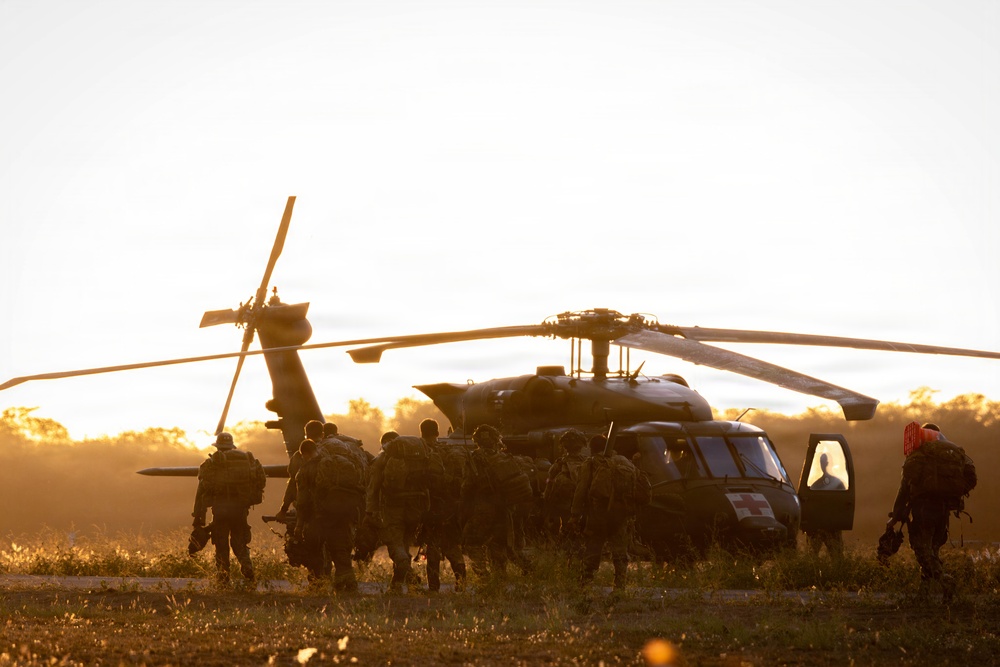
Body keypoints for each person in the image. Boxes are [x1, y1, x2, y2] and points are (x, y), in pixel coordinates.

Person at [886, 423, 977, 602]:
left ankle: (945, 581)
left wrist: (895, 517)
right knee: (932, 551)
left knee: (922, 551)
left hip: (923, 511)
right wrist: (955, 492)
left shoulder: (919, 455)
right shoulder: (955, 452)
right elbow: (972, 479)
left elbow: (904, 489)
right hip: (943, 512)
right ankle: (924, 593)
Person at [570, 435, 649, 589]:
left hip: (598, 513)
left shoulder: (592, 463)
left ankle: (585, 584)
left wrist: (574, 515)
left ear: (592, 448)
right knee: (620, 552)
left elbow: (581, 490)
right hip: (621, 513)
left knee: (593, 548)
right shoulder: (624, 462)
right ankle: (620, 586)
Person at [366, 431, 437, 593]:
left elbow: (373, 487)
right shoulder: (418, 458)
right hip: (416, 508)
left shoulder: (383, 459)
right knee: (404, 543)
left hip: (394, 507)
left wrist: (371, 511)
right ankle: (404, 582)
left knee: (395, 544)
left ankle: (401, 578)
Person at [192, 432, 266, 585]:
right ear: (232, 445)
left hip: (220, 510)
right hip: (240, 510)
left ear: (218, 446)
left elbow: (201, 491)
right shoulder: (247, 461)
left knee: (221, 544)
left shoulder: (211, 463)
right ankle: (247, 569)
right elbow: (261, 482)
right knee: (239, 543)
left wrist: (199, 517)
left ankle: (223, 578)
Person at [460, 424, 533, 579]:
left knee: (472, 541)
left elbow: (468, 485)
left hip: (484, 507)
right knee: (499, 543)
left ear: (477, 441)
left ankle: (483, 575)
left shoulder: (475, 459)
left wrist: (464, 504)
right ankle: (501, 577)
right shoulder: (505, 457)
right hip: (505, 507)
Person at [294, 437, 366, 594]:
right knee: (340, 549)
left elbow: (302, 500)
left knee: (314, 549)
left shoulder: (306, 470)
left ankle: (317, 585)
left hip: (320, 517)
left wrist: (299, 525)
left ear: (304, 454)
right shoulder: (336, 464)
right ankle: (348, 585)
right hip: (343, 514)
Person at [419, 418, 468, 592]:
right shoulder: (448, 451)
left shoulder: (420, 452)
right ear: (438, 433)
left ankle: (433, 586)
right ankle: (461, 582)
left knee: (432, 545)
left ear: (421, 432)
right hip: (450, 506)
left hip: (431, 505)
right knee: (452, 545)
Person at [542, 429, 589, 549]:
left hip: (564, 504)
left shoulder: (559, 464)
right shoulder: (588, 463)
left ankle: (568, 550)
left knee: (566, 529)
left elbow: (549, 483)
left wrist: (546, 502)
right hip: (584, 504)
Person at [804, 452, 846, 557]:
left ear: (827, 463)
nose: (823, 464)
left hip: (831, 525)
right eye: (821, 462)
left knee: (836, 556)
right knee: (812, 556)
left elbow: (843, 502)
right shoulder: (816, 484)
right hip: (818, 525)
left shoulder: (836, 483)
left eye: (824, 462)